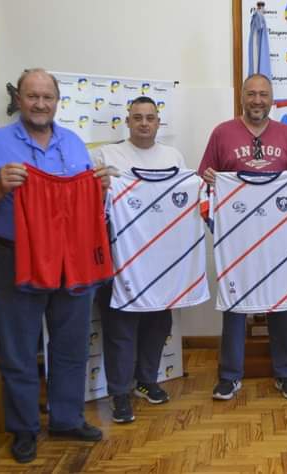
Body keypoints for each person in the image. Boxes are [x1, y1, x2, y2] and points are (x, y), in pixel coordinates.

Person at [0, 69, 112, 463]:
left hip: (70, 259)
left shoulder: (74, 143)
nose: (40, 104)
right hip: (13, 256)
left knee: (71, 343)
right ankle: (24, 429)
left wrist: (98, 189)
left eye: (47, 97)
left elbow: (84, 206)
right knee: (18, 349)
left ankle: (66, 419)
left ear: (57, 101)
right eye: (32, 96)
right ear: (19, 100)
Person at [198, 73, 287, 400]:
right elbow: (203, 179)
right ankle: (229, 375)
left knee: (283, 299)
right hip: (237, 234)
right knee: (234, 302)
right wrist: (210, 181)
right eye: (251, 94)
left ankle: (286, 373)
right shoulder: (222, 132)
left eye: (263, 94)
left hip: (280, 234)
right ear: (242, 97)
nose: (257, 100)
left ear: (271, 99)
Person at [93, 96, 187, 424]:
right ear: (127, 121)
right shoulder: (106, 156)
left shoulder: (173, 157)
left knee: (158, 323)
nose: (144, 123)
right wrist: (101, 187)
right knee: (120, 326)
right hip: (120, 257)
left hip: (161, 258)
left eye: (150, 117)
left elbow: (181, 202)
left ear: (158, 122)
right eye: (137, 117)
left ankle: (147, 380)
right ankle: (119, 392)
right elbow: (92, 204)